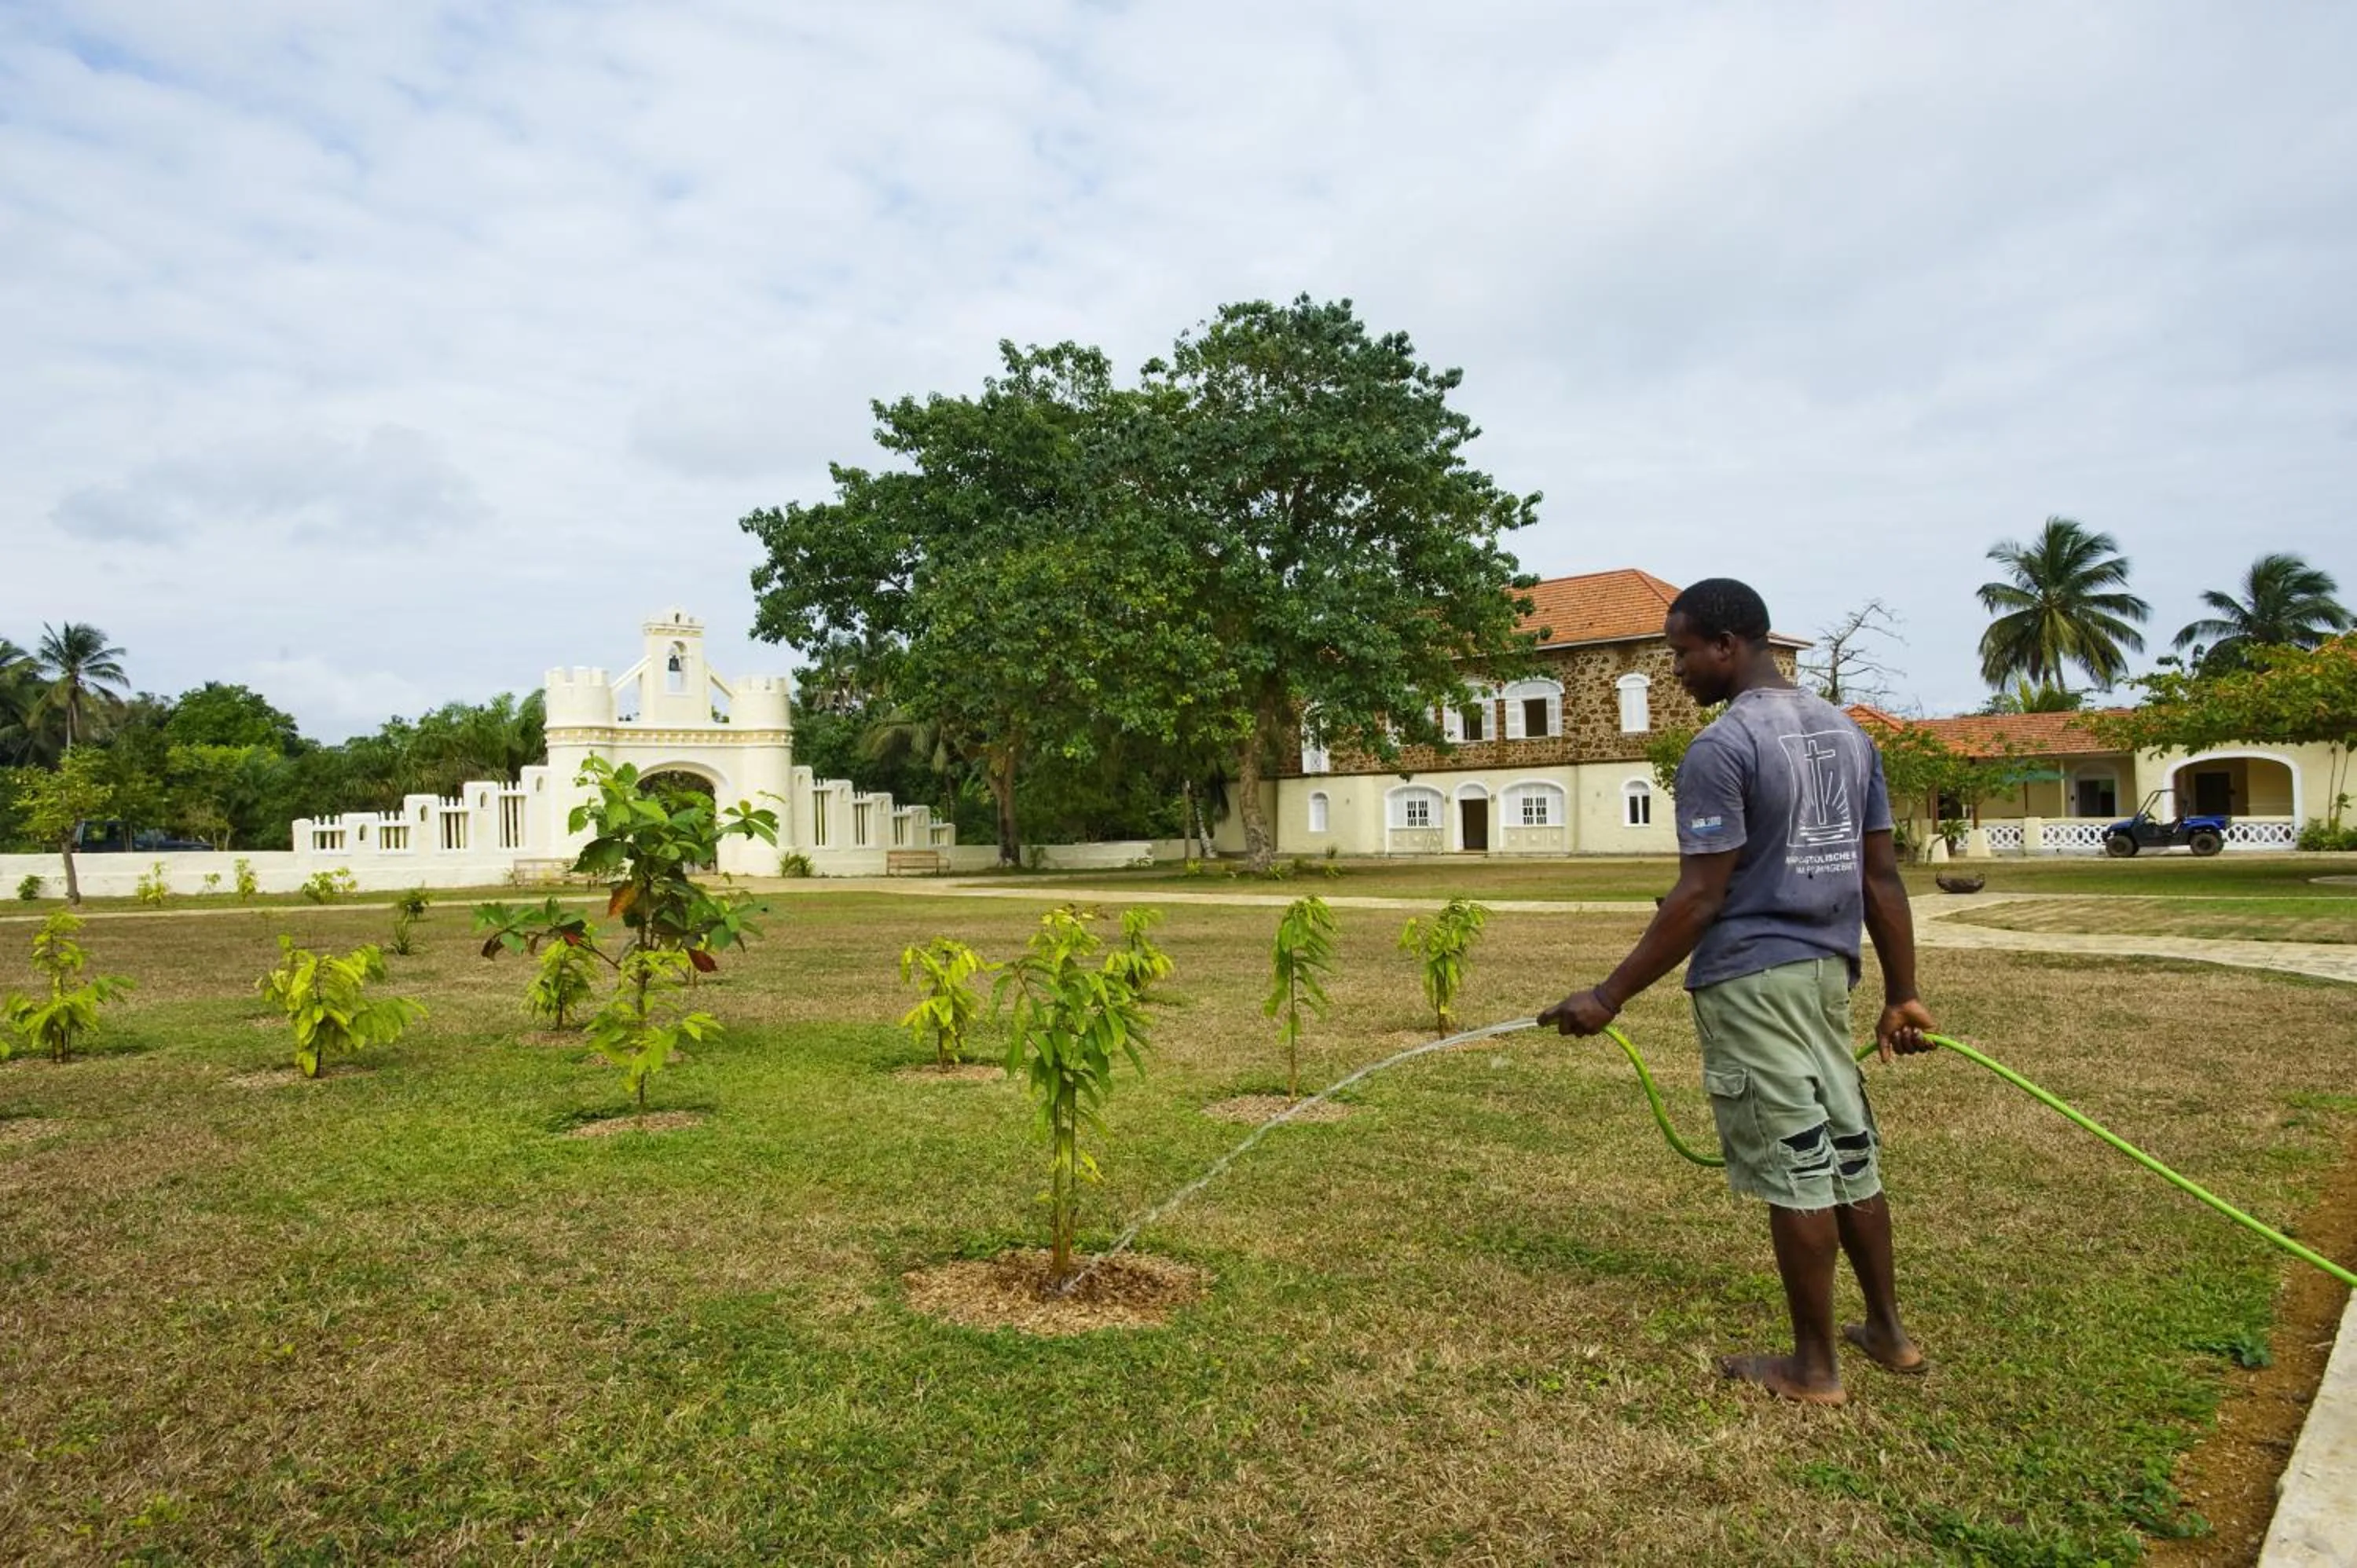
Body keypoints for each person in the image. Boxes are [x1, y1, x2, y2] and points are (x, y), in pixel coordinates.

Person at [1538, 577, 1934, 1405]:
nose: (1676, 669)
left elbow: (1700, 897)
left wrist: (1607, 996)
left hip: (1755, 981)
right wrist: (1902, 993)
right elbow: (1882, 877)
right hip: (1829, 972)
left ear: (1727, 644)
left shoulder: (1722, 749)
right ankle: (1889, 1334)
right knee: (1848, 1149)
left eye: (1682, 652)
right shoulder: (1847, 735)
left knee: (1797, 1162)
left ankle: (1814, 1367)